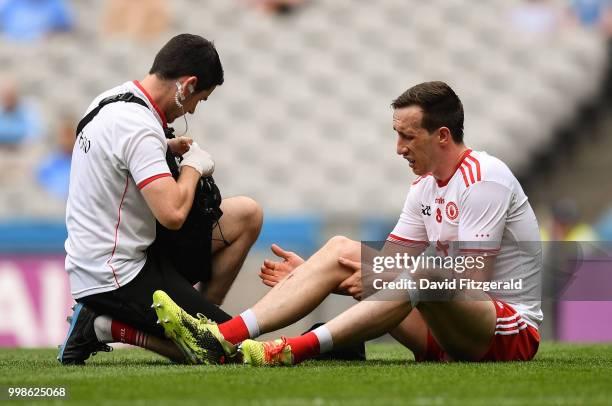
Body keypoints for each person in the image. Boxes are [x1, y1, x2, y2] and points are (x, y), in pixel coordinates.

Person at [150, 81, 544, 366]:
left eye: (408, 136)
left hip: (506, 334)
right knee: (341, 249)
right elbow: (384, 272)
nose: (399, 148)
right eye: (396, 135)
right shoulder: (424, 187)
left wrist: (366, 276)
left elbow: (469, 282)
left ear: (442, 135)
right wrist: (321, 275)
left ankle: (294, 348)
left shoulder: (484, 178)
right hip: (442, 334)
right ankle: (222, 338)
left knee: (425, 271)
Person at [57, 34, 263, 365]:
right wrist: (194, 167)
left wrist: (164, 148)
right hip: (116, 275)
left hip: (114, 254)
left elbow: (117, 156)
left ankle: (195, 322)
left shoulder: (113, 100)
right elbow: (171, 214)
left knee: (247, 215)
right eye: (201, 98)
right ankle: (102, 326)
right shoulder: (138, 128)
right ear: (188, 84)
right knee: (231, 351)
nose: (194, 108)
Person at [36, 116, 75, 200]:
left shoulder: (84, 164)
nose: (66, 140)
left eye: (69, 134)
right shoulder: (46, 165)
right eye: (63, 135)